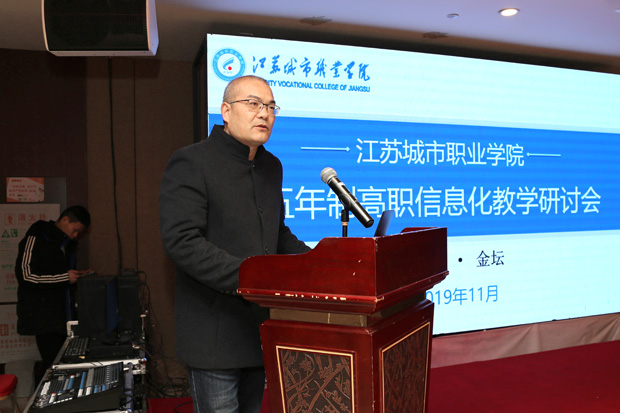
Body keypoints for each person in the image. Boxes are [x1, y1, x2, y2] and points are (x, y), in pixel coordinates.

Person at [159, 75, 310, 412]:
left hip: (258, 329)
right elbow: (182, 241)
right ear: (226, 111)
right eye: (253, 104)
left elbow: (277, 234)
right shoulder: (192, 161)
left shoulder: (271, 166)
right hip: (213, 333)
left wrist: (323, 262)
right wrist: (253, 277)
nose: (264, 113)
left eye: (271, 107)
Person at [15, 205, 92, 384]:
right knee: (52, 364)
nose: (75, 236)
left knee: (60, 364)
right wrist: (65, 277)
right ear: (65, 220)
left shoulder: (65, 245)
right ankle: (41, 397)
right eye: (74, 230)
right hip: (42, 316)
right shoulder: (36, 237)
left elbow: (59, 276)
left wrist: (78, 276)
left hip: (62, 314)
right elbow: (26, 276)